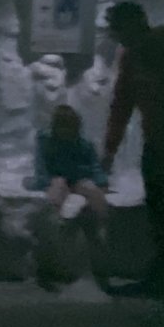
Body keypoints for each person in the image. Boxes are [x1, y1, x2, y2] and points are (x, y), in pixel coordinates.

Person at [100, 1, 164, 298]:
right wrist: (109, 150)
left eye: (118, 29)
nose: (117, 36)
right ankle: (163, 277)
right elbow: (121, 105)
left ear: (135, 23)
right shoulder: (132, 58)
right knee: (160, 213)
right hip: (158, 145)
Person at [28, 104, 111, 288]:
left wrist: (101, 182)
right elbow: (41, 168)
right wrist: (45, 182)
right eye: (62, 126)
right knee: (57, 186)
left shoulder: (84, 144)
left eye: (70, 126)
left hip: (79, 178)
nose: (66, 131)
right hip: (58, 178)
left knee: (91, 188)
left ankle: (100, 230)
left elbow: (95, 167)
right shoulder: (45, 141)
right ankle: (57, 229)